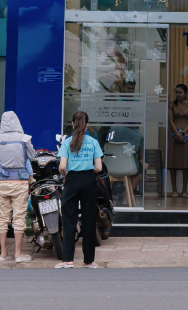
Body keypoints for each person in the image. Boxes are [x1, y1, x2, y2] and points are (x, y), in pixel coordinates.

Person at [57, 111, 104, 268]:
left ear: (72, 124)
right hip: (89, 180)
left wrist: (66, 175)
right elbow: (99, 167)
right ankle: (88, 261)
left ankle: (68, 260)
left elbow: (62, 166)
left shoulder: (67, 142)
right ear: (87, 125)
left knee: (69, 220)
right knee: (89, 221)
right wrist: (89, 170)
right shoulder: (93, 142)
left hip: (72, 180)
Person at [0, 111, 34, 264]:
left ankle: (3, 252)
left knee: (2, 217)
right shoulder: (24, 139)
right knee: (19, 217)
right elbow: (32, 157)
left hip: (2, 183)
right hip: (20, 183)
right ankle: (18, 253)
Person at [167, 84, 188, 198]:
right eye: (176, 92)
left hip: (187, 134)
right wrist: (177, 133)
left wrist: (183, 133)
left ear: (185, 93)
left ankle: (184, 190)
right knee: (173, 161)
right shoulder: (171, 105)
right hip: (173, 134)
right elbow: (170, 120)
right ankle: (174, 190)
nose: (178, 94)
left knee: (186, 161)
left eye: (180, 92)